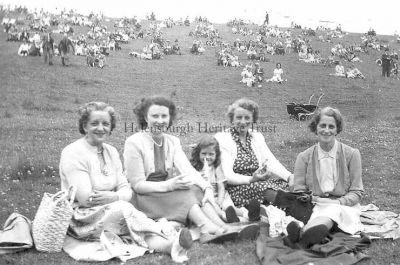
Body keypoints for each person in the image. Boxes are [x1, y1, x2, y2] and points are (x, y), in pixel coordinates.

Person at [59, 102, 193, 263]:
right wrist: (117, 197)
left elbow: (126, 190)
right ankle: (165, 230)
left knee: (126, 213)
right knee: (125, 211)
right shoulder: (73, 152)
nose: (100, 128)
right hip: (81, 216)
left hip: (111, 209)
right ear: (84, 126)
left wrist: (114, 197)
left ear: (111, 127)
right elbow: (86, 198)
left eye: (105, 124)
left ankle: (170, 246)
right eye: (94, 123)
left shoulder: (111, 151)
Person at [123, 96, 250, 242]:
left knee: (196, 188)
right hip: (143, 199)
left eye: (164, 116)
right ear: (145, 117)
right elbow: (138, 185)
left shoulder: (172, 141)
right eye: (155, 116)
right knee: (185, 194)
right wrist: (169, 185)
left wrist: (207, 188)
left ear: (170, 118)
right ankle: (205, 227)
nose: (160, 120)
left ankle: (222, 226)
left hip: (164, 195)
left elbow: (188, 170)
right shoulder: (134, 142)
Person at [285, 107, 364, 248]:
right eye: (322, 125)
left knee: (332, 211)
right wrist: (312, 199)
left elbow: (357, 191)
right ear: (315, 127)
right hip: (315, 204)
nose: (326, 130)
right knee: (318, 212)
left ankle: (301, 235)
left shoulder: (352, 154)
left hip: (344, 206)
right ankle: (307, 236)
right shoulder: (304, 157)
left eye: (331, 126)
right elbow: (299, 190)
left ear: (337, 129)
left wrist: (338, 202)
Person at [214, 98, 294, 215]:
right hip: (237, 188)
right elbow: (227, 176)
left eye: (247, 118)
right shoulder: (223, 138)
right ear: (232, 119)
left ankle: (288, 215)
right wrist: (252, 179)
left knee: (286, 187)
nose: (243, 122)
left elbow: (270, 161)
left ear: (253, 119)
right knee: (270, 192)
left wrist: (289, 176)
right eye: (239, 117)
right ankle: (292, 217)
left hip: (258, 183)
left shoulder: (256, 136)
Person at [190, 135, 251, 223]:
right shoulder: (195, 168)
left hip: (220, 195)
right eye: (204, 153)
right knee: (215, 210)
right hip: (206, 197)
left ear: (216, 154)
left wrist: (220, 200)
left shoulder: (216, 167)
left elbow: (221, 187)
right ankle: (234, 219)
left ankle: (246, 213)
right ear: (198, 153)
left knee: (228, 207)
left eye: (211, 154)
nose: (207, 157)